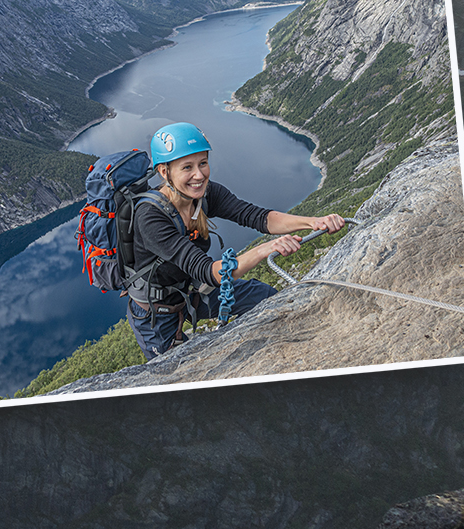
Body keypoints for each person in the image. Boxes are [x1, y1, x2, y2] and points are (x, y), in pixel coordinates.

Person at [126, 121, 345, 360]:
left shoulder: (205, 194)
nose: (199, 175)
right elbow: (208, 272)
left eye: (203, 163)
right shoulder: (150, 217)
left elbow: (258, 217)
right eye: (187, 167)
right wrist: (264, 249)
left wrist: (314, 222)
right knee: (175, 370)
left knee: (264, 296)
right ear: (164, 172)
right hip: (156, 312)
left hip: (192, 290)